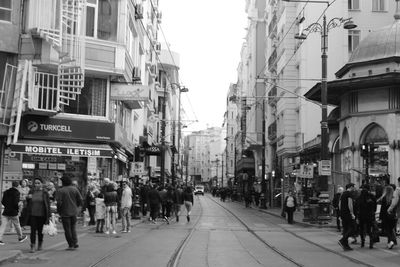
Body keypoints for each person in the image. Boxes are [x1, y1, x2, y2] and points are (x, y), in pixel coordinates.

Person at [56, 176, 83, 250]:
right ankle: (75, 242)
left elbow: (59, 202)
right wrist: (76, 206)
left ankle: (71, 244)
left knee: (67, 229)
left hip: (65, 212)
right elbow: (80, 199)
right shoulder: (75, 189)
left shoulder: (61, 191)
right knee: (73, 228)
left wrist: (59, 211)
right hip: (74, 212)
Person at [26, 178, 51, 253]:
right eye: (35, 183)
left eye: (38, 183)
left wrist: (48, 216)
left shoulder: (45, 192)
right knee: (33, 231)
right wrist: (27, 198)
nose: (36, 184)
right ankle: (32, 246)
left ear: (42, 184)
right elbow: (28, 202)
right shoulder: (31, 191)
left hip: (42, 215)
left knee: (40, 231)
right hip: (33, 214)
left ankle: (40, 244)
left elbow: (48, 204)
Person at [0, 181, 28, 245]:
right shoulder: (17, 192)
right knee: (17, 225)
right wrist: (17, 209)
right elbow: (15, 202)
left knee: (3, 226)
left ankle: (0, 239)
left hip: (6, 211)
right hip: (13, 212)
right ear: (17, 186)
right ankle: (20, 237)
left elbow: (3, 201)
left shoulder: (6, 192)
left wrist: (7, 206)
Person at [357, 184, 376, 249]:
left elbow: (357, 208)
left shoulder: (359, 198)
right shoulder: (371, 197)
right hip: (370, 216)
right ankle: (371, 243)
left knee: (362, 229)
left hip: (361, 216)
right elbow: (375, 207)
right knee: (369, 229)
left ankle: (362, 242)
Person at [338, 183, 356, 251]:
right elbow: (350, 204)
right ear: (351, 187)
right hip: (348, 213)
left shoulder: (342, 194)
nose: (354, 189)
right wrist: (352, 213)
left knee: (345, 228)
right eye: (354, 187)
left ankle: (345, 245)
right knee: (353, 227)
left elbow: (339, 204)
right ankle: (342, 240)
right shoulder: (349, 194)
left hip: (343, 213)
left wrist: (340, 213)